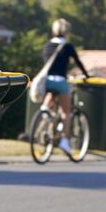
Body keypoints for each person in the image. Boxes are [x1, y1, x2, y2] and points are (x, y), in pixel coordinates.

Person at [41, 18, 89, 154]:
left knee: (51, 94)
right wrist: (87, 75)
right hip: (60, 81)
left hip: (47, 81)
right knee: (65, 113)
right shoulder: (67, 47)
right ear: (67, 32)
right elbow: (78, 62)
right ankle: (64, 141)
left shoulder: (47, 46)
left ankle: (44, 112)